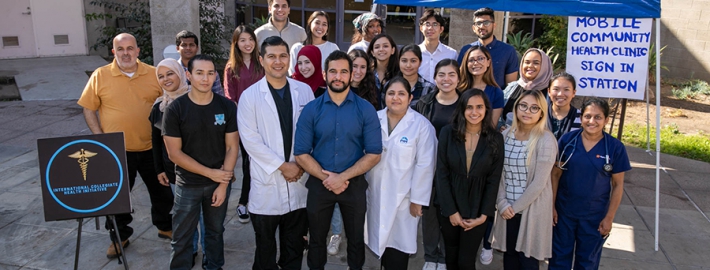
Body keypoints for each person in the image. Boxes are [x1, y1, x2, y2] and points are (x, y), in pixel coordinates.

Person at [77, 33, 174, 259]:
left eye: (130, 48)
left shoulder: (153, 73)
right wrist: (100, 139)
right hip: (116, 151)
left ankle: (164, 225)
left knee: (163, 192)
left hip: (153, 149)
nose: (126, 53)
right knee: (118, 197)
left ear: (138, 50)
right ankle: (120, 236)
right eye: (121, 49)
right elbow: (88, 109)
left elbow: (170, 104)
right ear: (114, 52)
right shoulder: (100, 76)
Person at [294, 50, 382, 270]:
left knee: (355, 241)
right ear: (325, 74)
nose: (338, 76)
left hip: (354, 184)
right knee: (316, 241)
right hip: (319, 183)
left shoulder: (366, 109)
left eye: (344, 72)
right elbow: (301, 153)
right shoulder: (312, 109)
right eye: (333, 71)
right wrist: (328, 178)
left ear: (352, 75)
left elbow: (374, 153)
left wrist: (342, 177)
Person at [238, 36, 315, 270]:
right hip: (267, 184)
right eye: (271, 56)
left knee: (294, 247)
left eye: (283, 56)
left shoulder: (304, 92)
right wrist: (284, 166)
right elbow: (251, 141)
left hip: (299, 182)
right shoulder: (250, 97)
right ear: (262, 60)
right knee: (265, 249)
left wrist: (300, 166)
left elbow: (313, 132)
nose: (278, 61)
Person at [163, 54, 239, 270]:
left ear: (215, 75)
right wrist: (211, 173)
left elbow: (232, 147)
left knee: (215, 233)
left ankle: (214, 266)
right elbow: (175, 154)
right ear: (188, 75)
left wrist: (223, 183)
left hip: (219, 184)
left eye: (209, 73)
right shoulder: (175, 109)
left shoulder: (226, 107)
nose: (205, 78)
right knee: (182, 237)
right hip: (188, 185)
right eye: (199, 73)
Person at [549, 98, 631, 270]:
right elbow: (555, 175)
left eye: (598, 117)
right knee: (558, 259)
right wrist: (552, 206)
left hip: (594, 216)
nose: (591, 121)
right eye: (587, 116)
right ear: (581, 118)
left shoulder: (615, 148)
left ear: (606, 120)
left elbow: (617, 185)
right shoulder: (567, 141)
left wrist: (609, 218)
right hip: (564, 213)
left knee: (587, 262)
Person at [366, 76, 437, 269]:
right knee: (378, 242)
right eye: (391, 93)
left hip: (404, 200)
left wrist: (417, 200)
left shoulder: (421, 126)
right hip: (375, 192)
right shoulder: (373, 119)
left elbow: (426, 165)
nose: (395, 98)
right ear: (384, 96)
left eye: (401, 94)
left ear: (410, 97)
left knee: (397, 250)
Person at [436, 89, 504, 270]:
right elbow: (441, 173)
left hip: (477, 208)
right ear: (462, 109)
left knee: (466, 262)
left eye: (479, 107)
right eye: (469, 107)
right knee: (450, 258)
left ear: (486, 109)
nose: (474, 112)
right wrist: (451, 211)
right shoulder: (447, 133)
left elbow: (494, 179)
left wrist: (483, 216)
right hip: (450, 207)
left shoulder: (496, 138)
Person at [489, 90, 557, 270]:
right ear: (516, 108)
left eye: (534, 108)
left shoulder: (546, 140)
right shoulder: (504, 137)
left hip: (530, 210)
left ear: (542, 112)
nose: (528, 111)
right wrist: (502, 203)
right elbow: (498, 175)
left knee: (527, 261)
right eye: (523, 106)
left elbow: (539, 184)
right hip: (507, 208)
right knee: (509, 259)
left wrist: (513, 209)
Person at [149, 59, 207, 268]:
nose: (166, 80)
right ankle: (190, 250)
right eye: (161, 76)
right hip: (174, 173)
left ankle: (209, 252)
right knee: (185, 216)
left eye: (170, 74)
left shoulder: (198, 99)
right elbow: (155, 142)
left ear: (180, 74)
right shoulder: (159, 106)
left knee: (204, 216)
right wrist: (158, 170)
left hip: (202, 170)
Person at [413, 58, 461, 270]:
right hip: (429, 168)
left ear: (459, 79)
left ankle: (444, 257)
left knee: (449, 212)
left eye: (451, 74)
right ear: (435, 78)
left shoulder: (466, 104)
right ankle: (431, 256)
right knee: (430, 213)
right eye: (441, 75)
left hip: (456, 170)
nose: (446, 79)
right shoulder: (424, 103)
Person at [224, 25, 265, 224]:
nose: (247, 43)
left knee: (263, 161)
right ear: (236, 43)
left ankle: (260, 198)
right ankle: (243, 202)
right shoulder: (231, 66)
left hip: (265, 120)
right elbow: (230, 97)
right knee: (248, 163)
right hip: (244, 122)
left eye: (250, 39)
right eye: (242, 40)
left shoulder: (262, 62)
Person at [457, 7, 518, 90]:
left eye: (486, 22)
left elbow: (510, 87)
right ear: (474, 28)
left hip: (496, 100)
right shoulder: (466, 50)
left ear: (494, 25)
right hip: (470, 99)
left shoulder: (508, 51)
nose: (482, 26)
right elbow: (460, 79)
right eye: (478, 23)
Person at [500, 48, 553, 128]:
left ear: (544, 66)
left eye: (536, 63)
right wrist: (501, 127)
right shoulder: (512, 88)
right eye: (527, 62)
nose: (530, 66)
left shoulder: (551, 93)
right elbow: (498, 115)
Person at [459, 45, 504, 127]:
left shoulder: (496, 92)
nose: (476, 63)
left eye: (480, 59)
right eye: (471, 60)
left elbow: (492, 126)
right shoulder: (458, 89)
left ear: (488, 62)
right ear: (466, 64)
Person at [288, 11, 340, 76]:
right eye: (317, 23)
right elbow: (292, 73)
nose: (320, 27)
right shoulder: (297, 48)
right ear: (310, 24)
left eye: (324, 24)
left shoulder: (332, 48)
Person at [175, 30, 224, 96]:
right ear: (177, 48)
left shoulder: (210, 71)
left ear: (197, 48)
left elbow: (218, 95)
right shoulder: (172, 70)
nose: (188, 48)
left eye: (191, 45)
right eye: (184, 45)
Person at [418, 9, 457, 84]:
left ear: (441, 29)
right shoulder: (416, 53)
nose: (430, 28)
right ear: (421, 28)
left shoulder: (451, 54)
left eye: (435, 24)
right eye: (427, 24)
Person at [547, 72, 581, 140]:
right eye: (556, 89)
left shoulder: (581, 118)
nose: (560, 94)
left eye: (566, 89)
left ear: (573, 93)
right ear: (549, 91)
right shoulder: (539, 114)